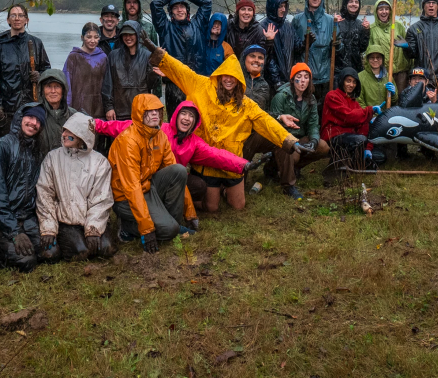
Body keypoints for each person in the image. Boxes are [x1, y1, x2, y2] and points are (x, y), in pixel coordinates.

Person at [143, 41, 305, 206]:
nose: (229, 80)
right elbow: (180, 70)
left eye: (233, 77)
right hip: (206, 161)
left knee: (238, 206)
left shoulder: (245, 103)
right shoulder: (201, 85)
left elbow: (265, 121)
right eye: (226, 75)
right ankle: (204, 190)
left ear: (238, 80)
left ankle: (226, 188)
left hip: (232, 160)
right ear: (220, 75)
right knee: (210, 208)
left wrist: (289, 140)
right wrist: (158, 54)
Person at [95, 100, 249, 212]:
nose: (187, 118)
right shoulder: (158, 128)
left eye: (191, 116)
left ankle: (168, 204)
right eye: (184, 113)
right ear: (176, 115)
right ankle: (154, 205)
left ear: (195, 122)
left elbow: (217, 155)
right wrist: (94, 124)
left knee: (199, 185)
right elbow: (120, 126)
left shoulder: (194, 142)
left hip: (174, 181)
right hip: (147, 178)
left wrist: (242, 164)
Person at [109, 94, 199, 250]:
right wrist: (147, 230)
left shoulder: (160, 136)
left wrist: (190, 213)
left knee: (178, 170)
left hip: (147, 187)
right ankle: (128, 228)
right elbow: (131, 187)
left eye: (158, 110)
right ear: (139, 113)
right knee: (169, 231)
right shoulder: (128, 141)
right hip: (125, 197)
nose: (155, 114)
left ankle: (172, 224)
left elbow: (172, 167)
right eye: (150, 111)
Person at [36, 112, 117, 261]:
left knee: (106, 249)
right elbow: (45, 194)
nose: (65, 135)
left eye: (70, 132)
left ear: (82, 135)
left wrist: (93, 229)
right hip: (66, 220)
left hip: (90, 217)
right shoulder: (53, 158)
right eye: (64, 131)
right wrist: (48, 228)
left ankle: (90, 235)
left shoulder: (99, 162)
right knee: (81, 251)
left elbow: (102, 199)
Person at [0, 104, 47, 271]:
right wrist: (14, 232)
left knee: (49, 253)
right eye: (30, 117)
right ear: (20, 118)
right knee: (26, 261)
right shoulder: (1, 147)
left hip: (23, 216)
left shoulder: (36, 151)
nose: (33, 123)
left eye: (38, 121)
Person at [0, 4, 50, 140]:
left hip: (30, 106)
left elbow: (47, 72)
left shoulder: (36, 43)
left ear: (27, 20)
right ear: (8, 20)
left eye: (21, 15)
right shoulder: (0, 46)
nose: (17, 18)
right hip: (6, 108)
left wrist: (40, 76)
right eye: (13, 15)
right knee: (7, 147)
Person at [270, 63, 331, 194]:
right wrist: (291, 142)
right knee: (294, 156)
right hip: (284, 139)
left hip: (300, 137)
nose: (302, 81)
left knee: (322, 146)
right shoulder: (281, 96)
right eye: (299, 77)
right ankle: (275, 168)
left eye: (306, 77)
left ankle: (295, 169)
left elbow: (313, 124)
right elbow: (272, 122)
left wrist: (313, 140)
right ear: (292, 79)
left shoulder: (311, 98)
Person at [151, 0, 213, 111]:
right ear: (171, 12)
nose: (180, 10)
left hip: (196, 82)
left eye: (182, 7)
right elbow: (155, 4)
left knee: (198, 121)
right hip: (174, 83)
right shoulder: (165, 27)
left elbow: (207, 3)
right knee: (176, 121)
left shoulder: (198, 24)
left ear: (187, 10)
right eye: (175, 7)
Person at [321, 68, 374, 172]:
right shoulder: (332, 96)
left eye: (354, 82)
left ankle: (352, 164)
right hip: (332, 138)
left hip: (350, 137)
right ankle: (334, 168)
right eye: (348, 81)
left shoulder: (354, 103)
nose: (351, 85)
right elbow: (348, 116)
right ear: (342, 81)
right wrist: (369, 111)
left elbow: (363, 124)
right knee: (359, 140)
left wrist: (368, 148)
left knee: (378, 156)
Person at [105, 21, 159, 120]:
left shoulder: (147, 56)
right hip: (119, 111)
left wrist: (154, 73)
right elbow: (108, 84)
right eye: (125, 34)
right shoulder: (113, 55)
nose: (128, 37)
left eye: (131, 34)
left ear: (137, 35)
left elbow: (151, 85)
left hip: (141, 110)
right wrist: (109, 107)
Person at [291, 0, 336, 101]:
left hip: (325, 76)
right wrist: (304, 43)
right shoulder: (297, 20)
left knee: (322, 109)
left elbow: (337, 48)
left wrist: (338, 45)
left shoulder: (330, 21)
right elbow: (292, 48)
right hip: (303, 76)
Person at [64, 22, 113, 120]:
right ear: (82, 37)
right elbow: (67, 83)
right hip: (77, 106)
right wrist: (67, 107)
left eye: (96, 37)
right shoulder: (74, 56)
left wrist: (109, 106)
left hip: (98, 107)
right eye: (89, 37)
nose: (92, 40)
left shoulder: (103, 57)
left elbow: (107, 84)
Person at [369, 0, 409, 91]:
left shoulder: (398, 26)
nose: (384, 12)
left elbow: (408, 48)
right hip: (383, 72)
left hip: (401, 72)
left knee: (400, 98)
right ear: (376, 12)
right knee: (385, 97)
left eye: (386, 9)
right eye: (381, 9)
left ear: (390, 11)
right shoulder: (372, 29)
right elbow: (369, 51)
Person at [260, 0, 295, 91]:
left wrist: (306, 42)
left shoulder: (287, 25)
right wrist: (276, 79)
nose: (283, 10)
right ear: (273, 7)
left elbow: (295, 47)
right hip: (271, 80)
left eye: (284, 6)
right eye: (280, 6)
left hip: (288, 77)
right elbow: (267, 56)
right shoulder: (263, 26)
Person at [38, 68, 77, 152]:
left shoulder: (73, 115)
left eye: (57, 86)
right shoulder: (35, 115)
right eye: (49, 86)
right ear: (42, 90)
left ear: (63, 90)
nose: (53, 91)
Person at [334, 0, 370, 73]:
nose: (354, 4)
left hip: (356, 68)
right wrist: (333, 24)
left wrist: (366, 31)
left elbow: (363, 48)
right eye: (351, 2)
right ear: (345, 4)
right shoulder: (338, 21)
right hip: (338, 69)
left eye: (356, 2)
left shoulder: (360, 24)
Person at [358, 44, 396, 109]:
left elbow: (394, 101)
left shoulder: (388, 77)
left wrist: (393, 95)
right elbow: (359, 101)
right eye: (372, 57)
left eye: (378, 57)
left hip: (385, 116)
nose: (375, 60)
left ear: (382, 59)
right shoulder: (360, 77)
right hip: (369, 117)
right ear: (367, 59)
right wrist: (370, 113)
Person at [240, 44, 273, 110]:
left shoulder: (265, 86)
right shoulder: (236, 80)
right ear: (244, 59)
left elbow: (265, 113)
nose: (256, 60)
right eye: (252, 56)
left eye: (260, 58)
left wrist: (279, 116)